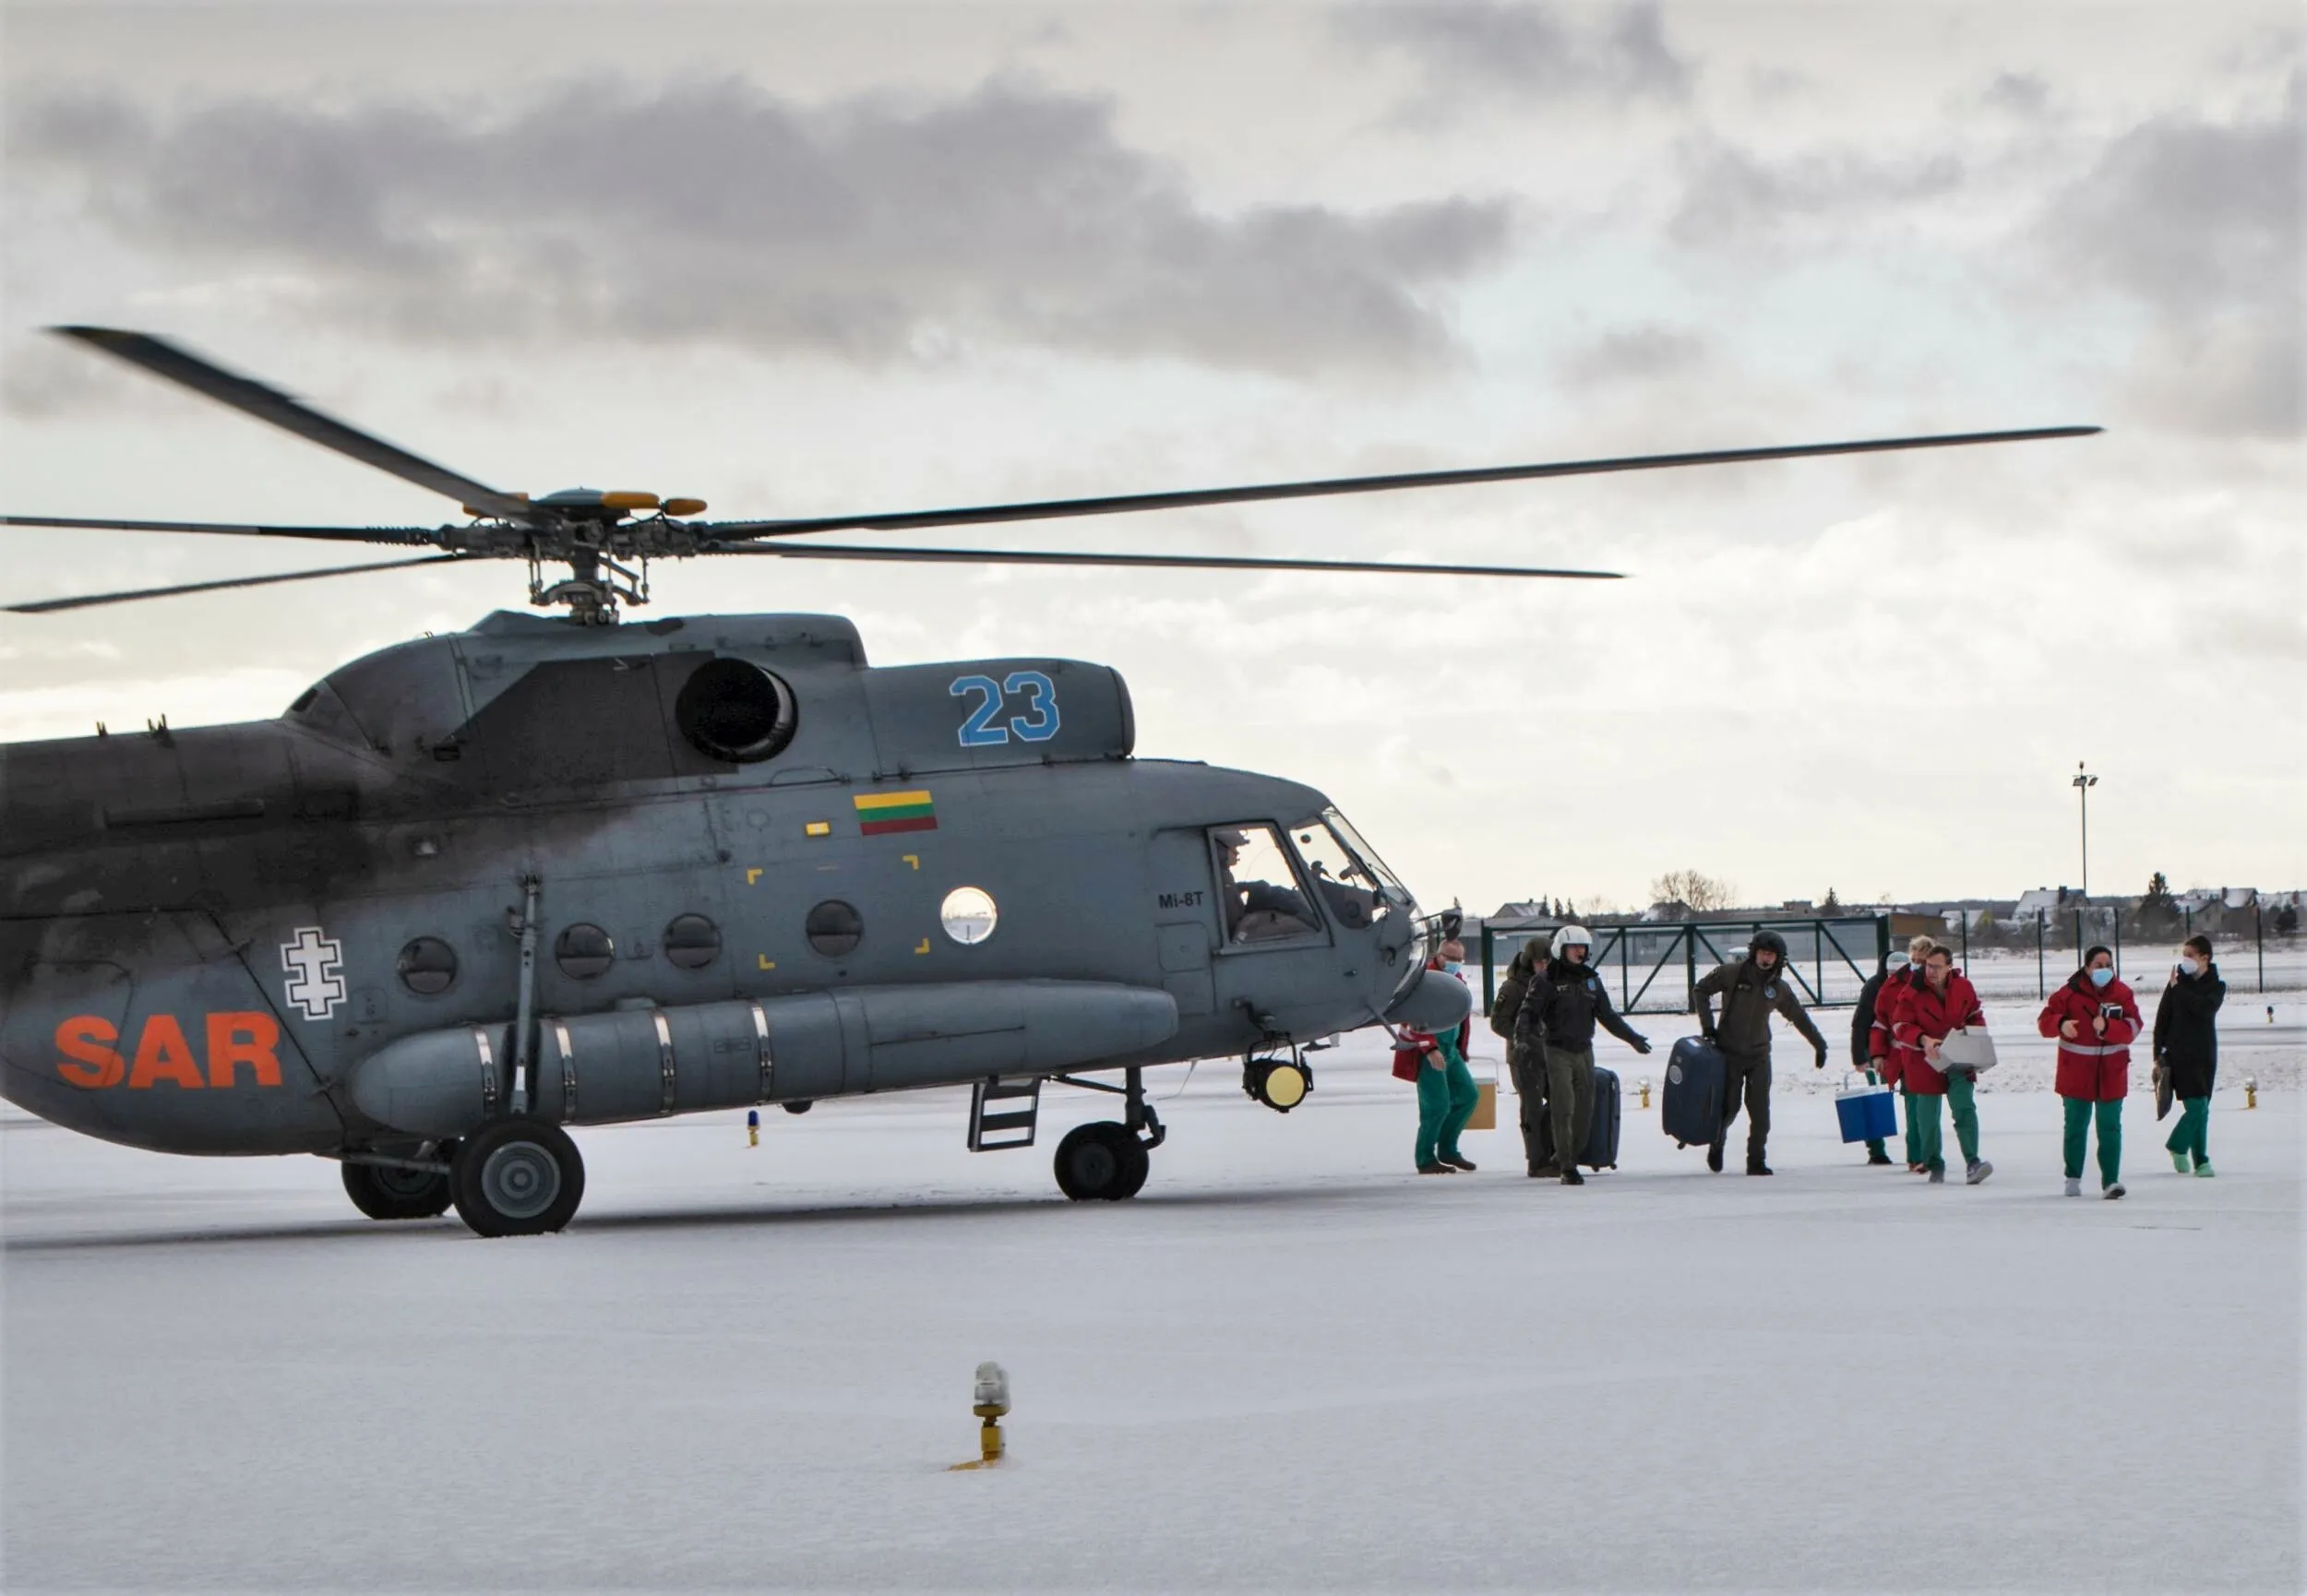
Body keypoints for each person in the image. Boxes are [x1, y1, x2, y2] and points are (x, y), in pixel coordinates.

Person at [1514, 924, 1651, 1185]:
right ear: (1561, 949)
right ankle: (1567, 1166)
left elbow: (1607, 1016)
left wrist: (1632, 1038)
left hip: (1584, 1051)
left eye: (1583, 947)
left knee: (1584, 1112)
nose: (1580, 952)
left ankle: (1565, 1155)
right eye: (1574, 947)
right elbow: (1527, 1013)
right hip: (1557, 1051)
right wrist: (1521, 1039)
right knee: (1563, 1108)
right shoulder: (1546, 980)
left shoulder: (1591, 980)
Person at [1691, 930, 1827, 1176]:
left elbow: (1798, 1016)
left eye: (1772, 955)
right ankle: (1717, 1144)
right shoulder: (1731, 973)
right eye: (1763, 953)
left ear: (1779, 959)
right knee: (1729, 1108)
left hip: (1759, 1056)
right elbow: (1700, 990)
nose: (1766, 959)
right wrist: (1708, 1026)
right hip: (1729, 1053)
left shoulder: (1778, 989)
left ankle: (1756, 1161)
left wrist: (1819, 1044)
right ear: (1754, 952)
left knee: (1761, 1114)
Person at [2038, 946, 2142, 1198]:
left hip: (2112, 1072)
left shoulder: (2122, 993)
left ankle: (2111, 1181)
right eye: (2098, 964)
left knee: (2110, 1127)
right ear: (2086, 967)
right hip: (2076, 1071)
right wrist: (2061, 1024)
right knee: (2075, 1126)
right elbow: (2044, 1023)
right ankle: (2072, 1177)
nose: (2104, 969)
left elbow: (2134, 1027)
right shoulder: (2068, 995)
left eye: (2108, 964)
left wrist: (2108, 1026)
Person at [1895, 942, 1992, 1185]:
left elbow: (1974, 1014)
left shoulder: (1963, 987)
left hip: (1958, 1055)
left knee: (1964, 1108)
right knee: (1926, 1117)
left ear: (1950, 967)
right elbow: (1900, 1025)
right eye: (1928, 966)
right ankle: (1935, 1163)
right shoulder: (1911, 991)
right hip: (1924, 1058)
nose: (1932, 972)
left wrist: (1976, 1036)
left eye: (1937, 967)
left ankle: (1973, 1161)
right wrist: (1923, 1039)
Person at [1398, 943, 1480, 1174]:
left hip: (1451, 1050)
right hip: (1429, 1051)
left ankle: (1447, 1149)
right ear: (1439, 956)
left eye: (1459, 959)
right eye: (1450, 957)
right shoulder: (1424, 981)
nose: (1454, 963)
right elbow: (1411, 1017)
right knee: (1437, 1105)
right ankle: (1425, 1158)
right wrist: (1428, 1048)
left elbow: (1462, 1018)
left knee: (1469, 1096)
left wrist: (1461, 1049)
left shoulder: (1458, 982)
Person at [2155, 935, 2226, 1176]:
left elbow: (2204, 1010)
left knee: (2203, 1108)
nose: (2185, 960)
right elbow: (2162, 1018)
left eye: (2190, 955)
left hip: (2205, 1053)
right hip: (2179, 1054)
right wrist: (2158, 1053)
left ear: (2204, 958)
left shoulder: (2216, 986)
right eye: (2183, 955)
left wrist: (2179, 990)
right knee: (2196, 1106)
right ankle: (2177, 1145)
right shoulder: (2176, 984)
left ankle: (2201, 1161)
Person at [1876, 935, 1938, 1171]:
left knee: (1928, 1107)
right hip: (1907, 1052)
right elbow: (1880, 1020)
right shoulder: (1894, 987)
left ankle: (1929, 1154)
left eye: (1923, 961)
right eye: (1915, 960)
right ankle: (1918, 1156)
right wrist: (1876, 1053)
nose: (1918, 965)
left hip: (1933, 1051)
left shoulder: (1940, 983)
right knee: (1915, 1104)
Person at [1488, 938, 1550, 1174]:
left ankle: (1553, 1152)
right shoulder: (1513, 988)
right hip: (1524, 1058)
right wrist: (1524, 1038)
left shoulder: (1551, 983)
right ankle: (1536, 1160)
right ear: (1528, 962)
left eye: (1546, 962)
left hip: (1551, 1055)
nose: (1543, 966)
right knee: (1532, 1108)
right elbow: (1498, 1022)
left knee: (1562, 1102)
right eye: (1538, 962)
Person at [1848, 953, 1900, 1166]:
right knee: (1876, 1099)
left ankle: (1919, 1150)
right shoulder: (1874, 987)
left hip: (1906, 1049)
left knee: (1916, 1099)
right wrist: (1859, 1057)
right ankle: (1876, 1151)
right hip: (1877, 1050)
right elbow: (1861, 1022)